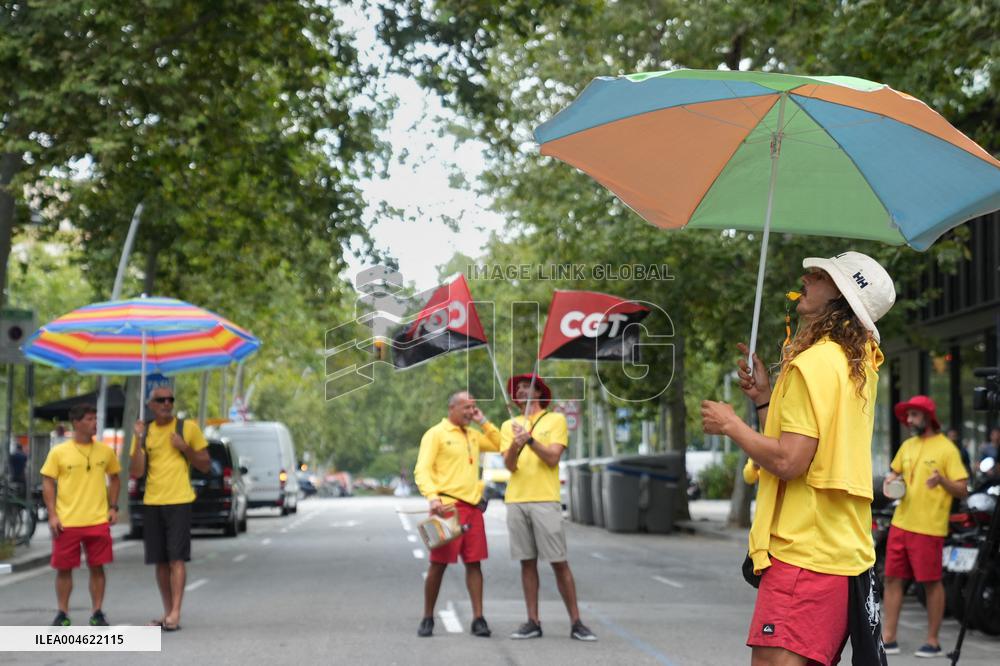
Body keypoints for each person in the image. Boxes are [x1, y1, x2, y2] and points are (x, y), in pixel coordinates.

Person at [701, 251, 895, 666]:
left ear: (840, 299)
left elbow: (790, 462)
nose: (806, 278)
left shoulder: (815, 363)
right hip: (835, 550)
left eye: (821, 275)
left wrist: (731, 425)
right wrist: (763, 401)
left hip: (805, 554)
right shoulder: (853, 363)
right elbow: (807, 448)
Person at [501, 373, 597, 642]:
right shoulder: (509, 424)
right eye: (517, 388)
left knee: (558, 562)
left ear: (539, 392)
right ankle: (532, 621)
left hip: (545, 499)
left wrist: (530, 441)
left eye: (526, 386)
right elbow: (509, 465)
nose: (520, 391)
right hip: (516, 500)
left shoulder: (555, 420)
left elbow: (553, 458)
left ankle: (576, 622)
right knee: (526, 563)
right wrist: (514, 445)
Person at [881, 396, 968, 658]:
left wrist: (942, 480)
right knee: (892, 579)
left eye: (914, 415)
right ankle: (889, 637)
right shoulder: (907, 446)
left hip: (929, 527)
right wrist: (891, 480)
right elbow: (894, 473)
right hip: (901, 523)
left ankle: (933, 640)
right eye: (908, 416)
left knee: (930, 583)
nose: (909, 420)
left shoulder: (947, 449)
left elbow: (962, 489)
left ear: (928, 417)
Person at [413, 391, 501, 638]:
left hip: (472, 509)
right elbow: (422, 469)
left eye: (474, 407)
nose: (471, 411)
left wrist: (483, 421)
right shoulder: (436, 434)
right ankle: (428, 616)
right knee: (438, 564)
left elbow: (500, 444)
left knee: (475, 563)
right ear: (452, 408)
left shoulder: (473, 435)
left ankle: (478, 618)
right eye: (467, 407)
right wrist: (432, 497)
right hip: (447, 509)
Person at [129, 386, 209, 632]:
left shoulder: (187, 429)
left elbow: (205, 465)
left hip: (179, 501)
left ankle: (176, 612)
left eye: (170, 399)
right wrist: (139, 439)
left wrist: (185, 448)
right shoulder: (146, 431)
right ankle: (167, 612)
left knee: (176, 558)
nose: (166, 403)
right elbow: (137, 471)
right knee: (160, 562)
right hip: (153, 501)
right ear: (150, 405)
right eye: (160, 400)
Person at [40, 404, 121, 627]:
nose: (94, 423)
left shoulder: (105, 451)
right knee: (64, 569)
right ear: (76, 423)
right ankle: (62, 613)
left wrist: (113, 507)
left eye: (95, 418)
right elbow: (47, 481)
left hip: (97, 520)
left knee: (98, 567)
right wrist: (52, 515)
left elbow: (115, 478)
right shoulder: (59, 452)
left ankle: (97, 612)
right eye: (89, 419)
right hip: (67, 522)